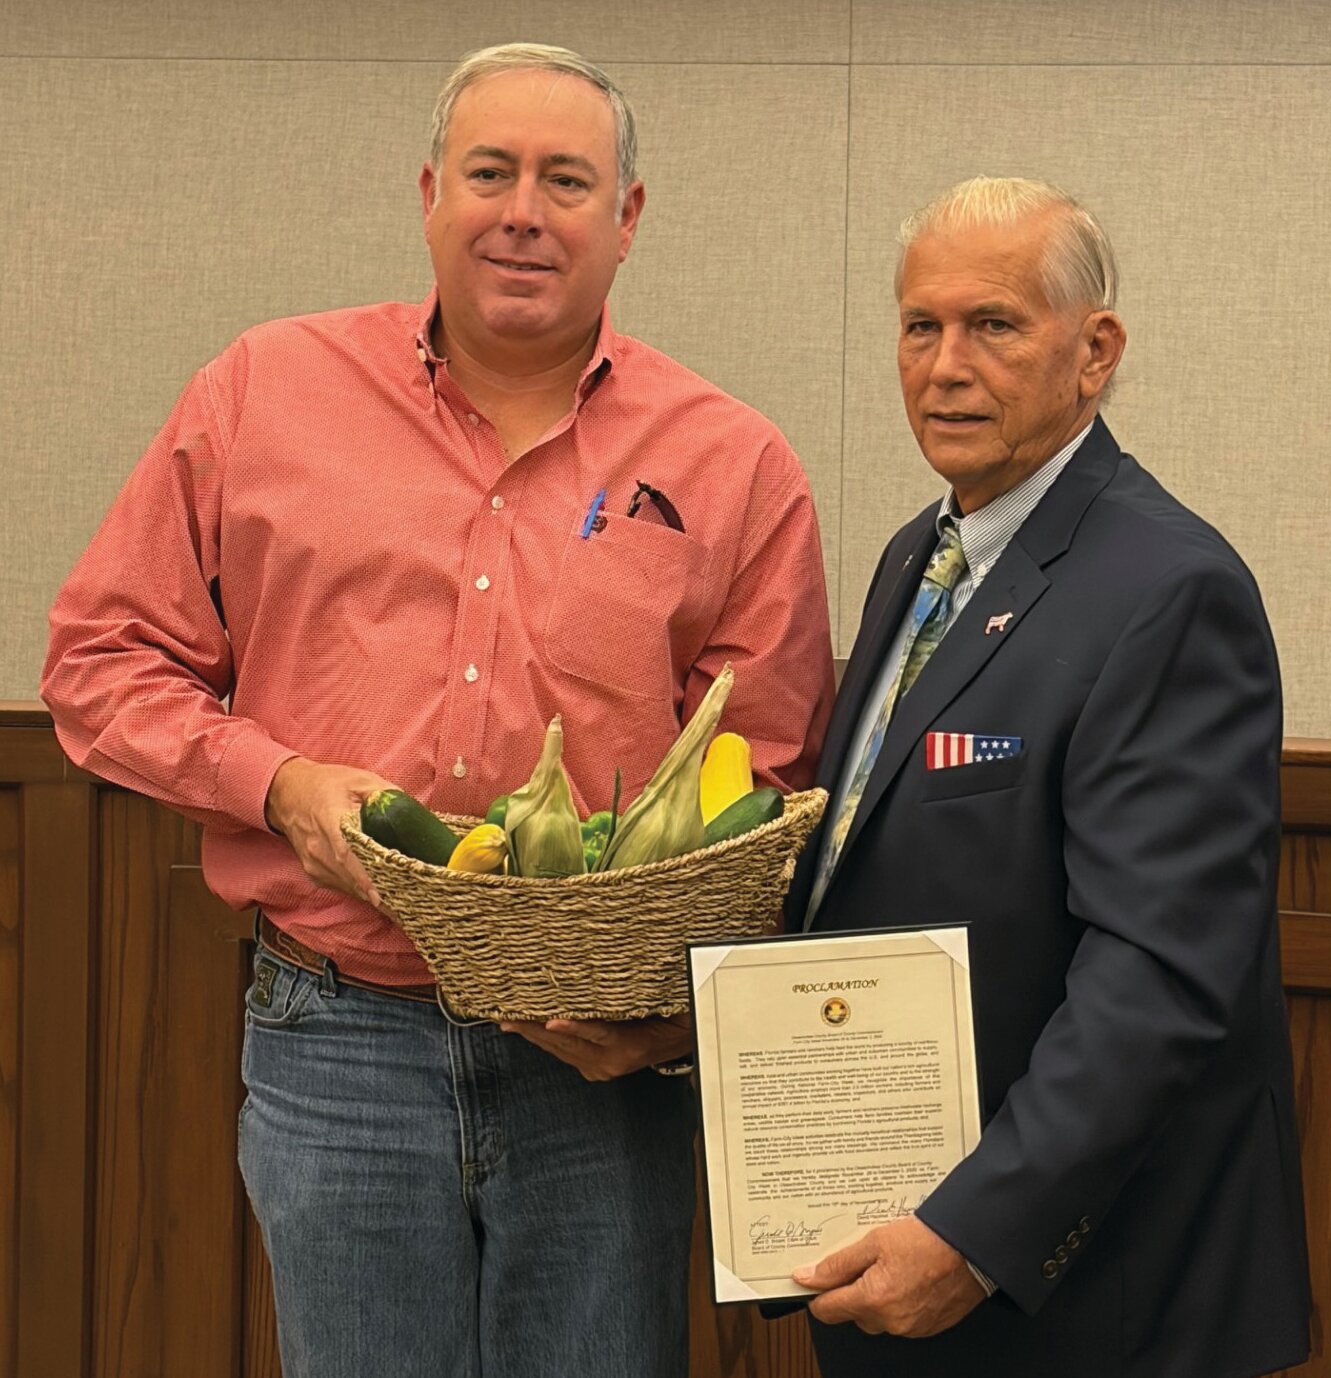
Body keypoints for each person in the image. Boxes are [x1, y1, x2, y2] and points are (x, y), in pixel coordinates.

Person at [41, 43, 834, 1378]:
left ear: (625, 220)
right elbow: (99, 660)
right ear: (428, 194)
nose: (522, 209)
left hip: (601, 1070)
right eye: (490, 172)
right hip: (336, 1037)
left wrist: (669, 1014)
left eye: (566, 179)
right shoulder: (261, 393)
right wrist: (274, 781)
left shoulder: (733, 459)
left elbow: (769, 775)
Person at [783, 177, 1310, 1378]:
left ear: (1095, 350)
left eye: (994, 325)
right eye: (921, 326)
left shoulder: (1168, 588)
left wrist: (971, 1236)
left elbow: (1159, 974)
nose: (946, 365)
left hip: (1079, 1293)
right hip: (900, 1253)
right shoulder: (917, 556)